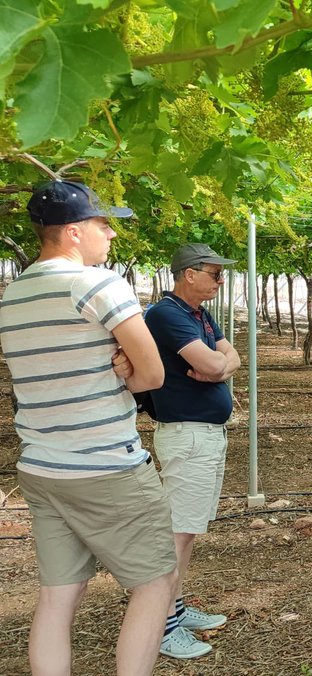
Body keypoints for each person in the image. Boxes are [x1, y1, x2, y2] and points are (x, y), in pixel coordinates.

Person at [3, 180, 173, 675]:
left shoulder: (14, 292)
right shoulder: (98, 284)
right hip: (105, 466)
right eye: (103, 224)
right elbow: (154, 375)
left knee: (58, 596)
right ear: (74, 232)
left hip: (40, 467)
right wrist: (125, 369)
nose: (111, 235)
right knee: (155, 583)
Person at [144, 243, 241, 659]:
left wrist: (219, 365)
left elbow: (228, 359)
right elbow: (218, 364)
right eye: (215, 273)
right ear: (189, 274)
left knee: (188, 529)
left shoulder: (198, 314)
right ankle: (161, 627)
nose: (220, 281)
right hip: (187, 436)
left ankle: (176, 609)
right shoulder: (166, 314)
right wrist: (217, 366)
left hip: (203, 435)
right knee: (177, 534)